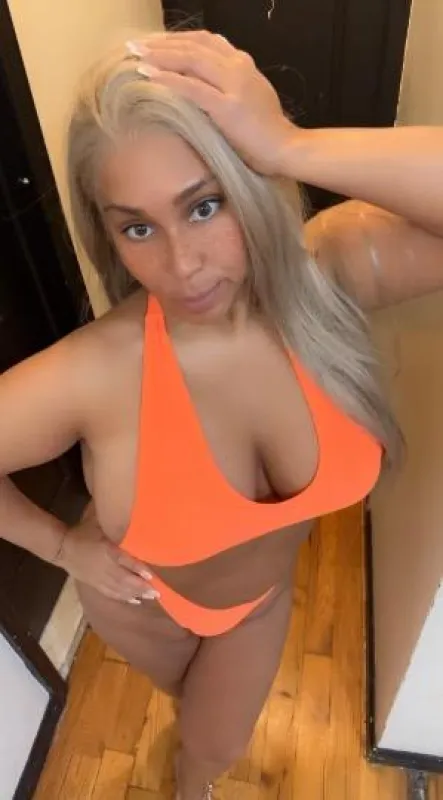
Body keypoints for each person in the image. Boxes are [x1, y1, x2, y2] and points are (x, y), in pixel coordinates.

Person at [1, 29, 442, 800]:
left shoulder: (328, 276)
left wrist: (289, 145)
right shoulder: (92, 373)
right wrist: (64, 548)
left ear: (250, 181)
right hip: (145, 606)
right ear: (108, 233)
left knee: (218, 739)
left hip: (258, 600)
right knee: (203, 729)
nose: (183, 265)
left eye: (205, 205)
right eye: (138, 227)